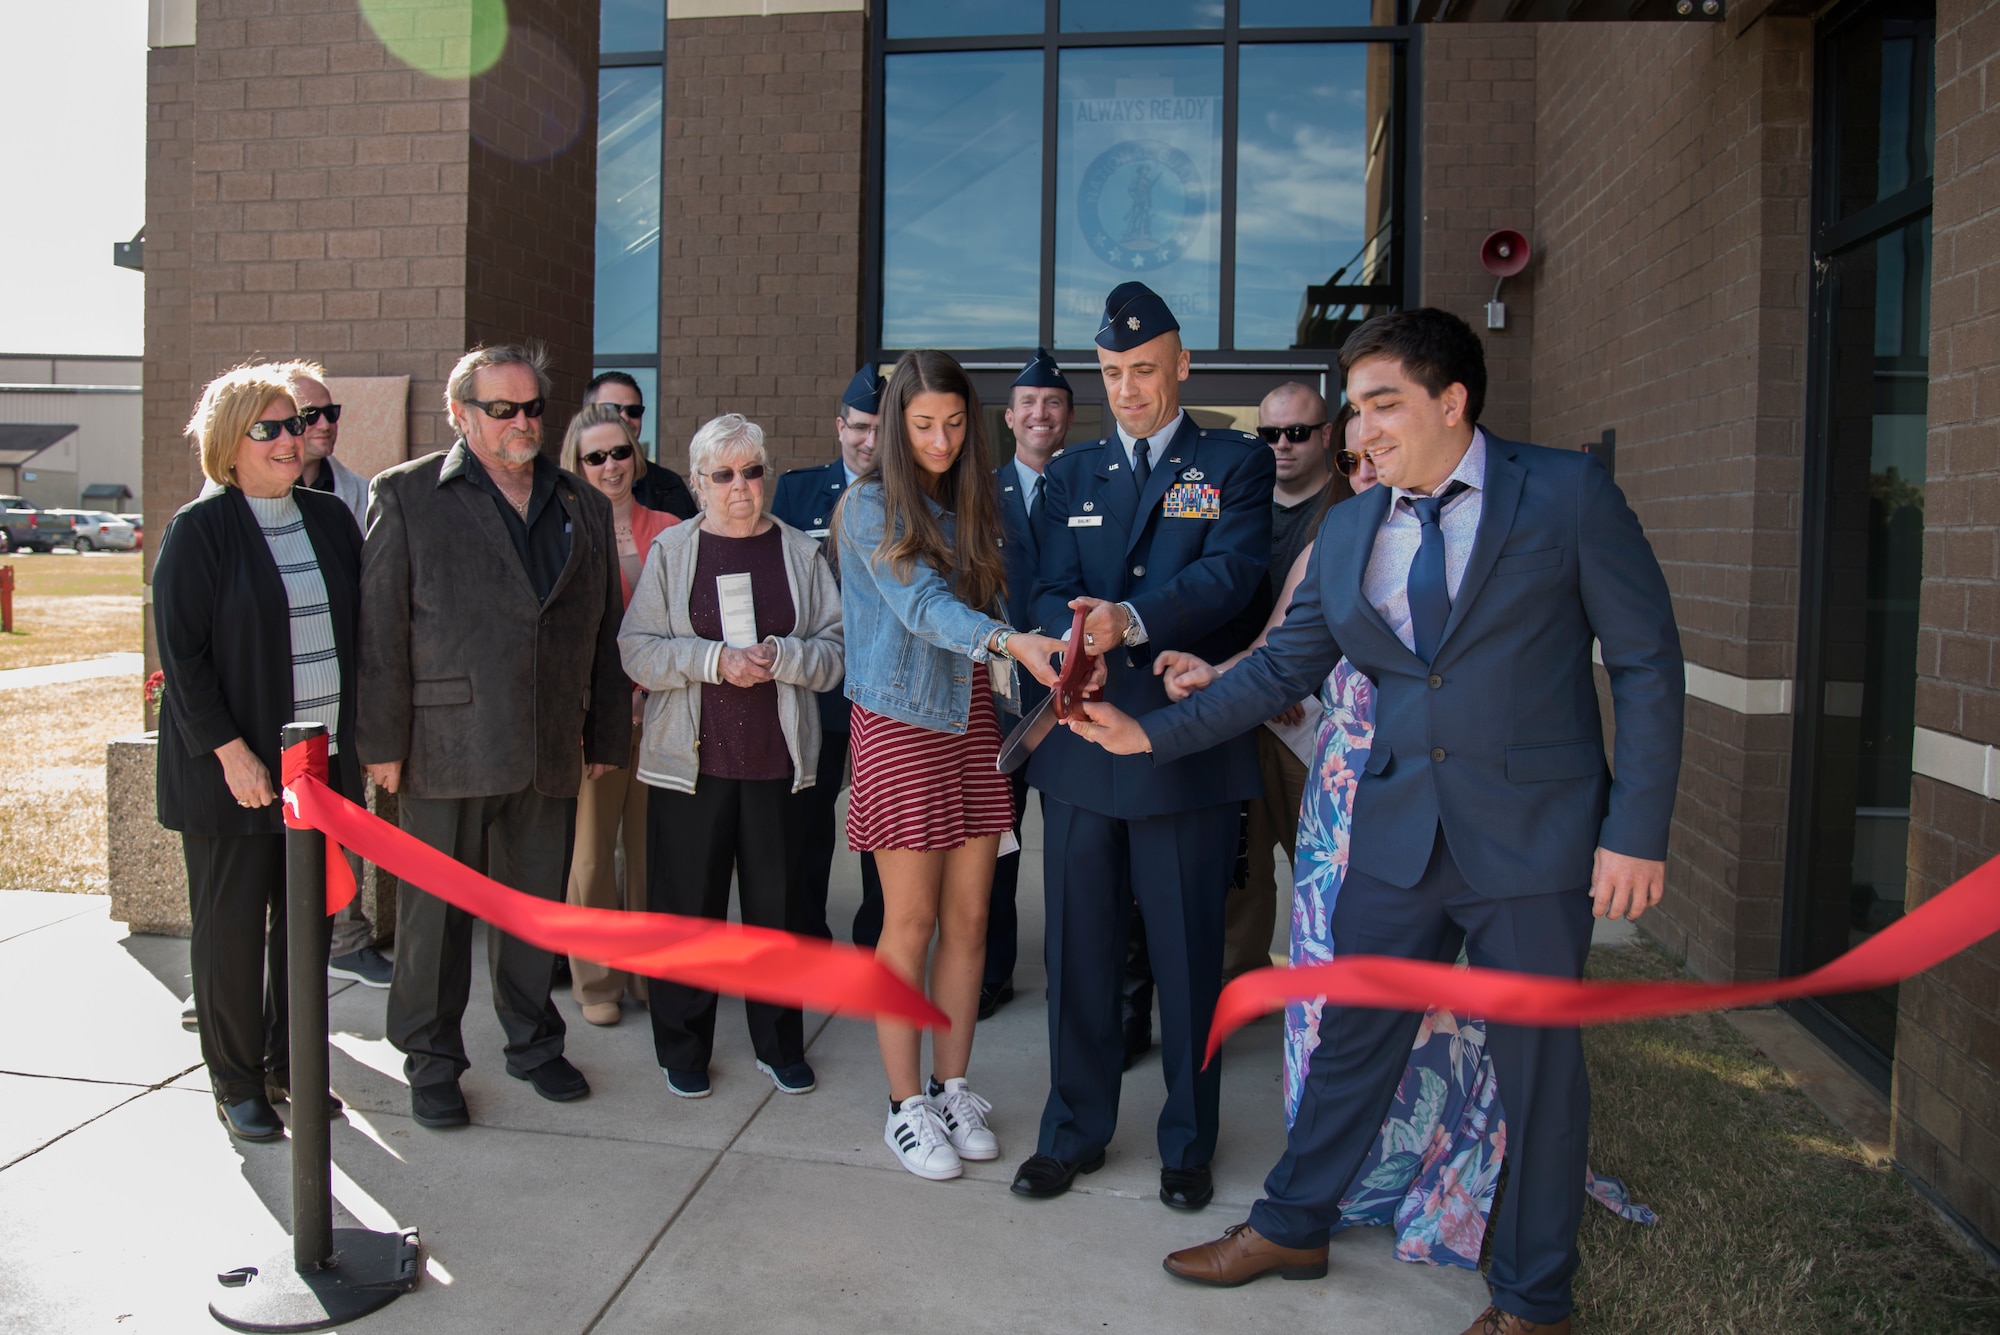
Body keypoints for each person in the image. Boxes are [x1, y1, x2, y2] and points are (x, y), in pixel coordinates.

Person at [1068, 308, 1684, 1335]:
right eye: (1353, 412)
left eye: (1381, 406)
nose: (1359, 434)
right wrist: (1147, 736)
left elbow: (1645, 665)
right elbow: (1277, 668)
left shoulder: (1565, 496)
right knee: (1353, 1040)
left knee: (1537, 1072)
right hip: (1394, 836)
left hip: (1532, 841)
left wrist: (1637, 829)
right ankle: (1292, 1224)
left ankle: (1533, 1302)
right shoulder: (1349, 526)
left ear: (1453, 400)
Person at [1010, 282, 1274, 1212]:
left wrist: (1130, 617)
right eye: (1114, 373)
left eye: (1145, 371)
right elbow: (1038, 587)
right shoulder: (1073, 475)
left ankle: (1189, 1142)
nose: (1128, 389)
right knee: (1078, 950)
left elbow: (1235, 572)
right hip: (1081, 746)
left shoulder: (1232, 462)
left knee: (1187, 956)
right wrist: (1063, 633)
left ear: (1183, 365)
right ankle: (1073, 1131)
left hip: (1181, 747)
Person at [357, 344, 631, 1130]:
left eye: (533, 407)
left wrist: (605, 729)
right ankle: (431, 1058)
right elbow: (379, 630)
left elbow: (601, 629)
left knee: (533, 910)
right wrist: (381, 741)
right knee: (433, 919)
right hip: (443, 748)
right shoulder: (407, 494)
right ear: (461, 413)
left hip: (548, 747)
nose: (522, 422)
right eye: (502, 408)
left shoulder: (580, 501)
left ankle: (534, 1043)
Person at [835, 349, 1067, 1183]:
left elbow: (1009, 597)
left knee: (973, 918)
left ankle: (952, 1085)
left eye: (954, 422)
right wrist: (1008, 640)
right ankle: (904, 1105)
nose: (939, 438)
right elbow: (924, 607)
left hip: (975, 719)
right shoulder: (867, 506)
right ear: (898, 424)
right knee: (911, 923)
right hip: (899, 719)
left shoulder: (980, 503)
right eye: (923, 423)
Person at [154, 364, 363, 1141]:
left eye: (294, 424)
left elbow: (359, 637)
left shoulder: (331, 519)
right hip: (232, 776)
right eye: (268, 428)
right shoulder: (199, 530)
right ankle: (237, 1081)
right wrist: (232, 754)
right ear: (228, 444)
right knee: (235, 931)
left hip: (320, 768)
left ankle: (293, 1068)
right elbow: (183, 659)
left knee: (304, 930)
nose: (289, 439)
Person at [619, 413, 845, 1098]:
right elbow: (640, 649)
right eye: (724, 475)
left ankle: (778, 1043)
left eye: (752, 471)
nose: (740, 486)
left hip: (779, 765)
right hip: (691, 765)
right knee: (689, 910)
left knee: (777, 914)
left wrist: (785, 656)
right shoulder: (673, 552)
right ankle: (682, 1046)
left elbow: (836, 653)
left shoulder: (800, 553)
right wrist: (715, 660)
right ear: (697, 484)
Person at [1223, 385, 1350, 983]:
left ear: (1327, 435)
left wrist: (1297, 683)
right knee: (1242, 871)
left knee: (1325, 866)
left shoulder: (1349, 504)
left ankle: (1334, 990)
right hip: (1248, 710)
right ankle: (1239, 985)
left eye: (1297, 432)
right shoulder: (1244, 506)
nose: (1281, 446)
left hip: (1316, 722)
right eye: (1268, 434)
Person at [558, 403, 680, 1025]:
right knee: (590, 855)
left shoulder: (669, 526)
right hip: (593, 720)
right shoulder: (560, 526)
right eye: (594, 456)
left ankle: (644, 974)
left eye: (619, 452)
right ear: (575, 464)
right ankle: (597, 983)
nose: (609, 466)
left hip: (659, 714)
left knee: (650, 851)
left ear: (638, 454)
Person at [770, 367, 886, 942]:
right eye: (860, 427)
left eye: (881, 429)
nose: (870, 441)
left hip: (884, 684)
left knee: (878, 823)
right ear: (839, 428)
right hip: (817, 684)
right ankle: (807, 934)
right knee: (809, 819)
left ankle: (876, 938)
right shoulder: (797, 491)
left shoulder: (908, 495)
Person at [983, 346, 1073, 1019]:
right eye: (1029, 404)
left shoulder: (1090, 482)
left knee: (1077, 850)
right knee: (999, 844)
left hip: (1073, 700)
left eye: (1053, 403)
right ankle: (990, 973)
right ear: (1011, 418)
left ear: (1068, 416)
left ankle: (1076, 973)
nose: (1040, 414)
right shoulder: (980, 493)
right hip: (1002, 699)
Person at [585, 371, 698, 520]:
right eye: (611, 409)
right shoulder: (561, 487)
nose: (624, 417)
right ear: (586, 414)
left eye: (633, 411)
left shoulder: (668, 484)